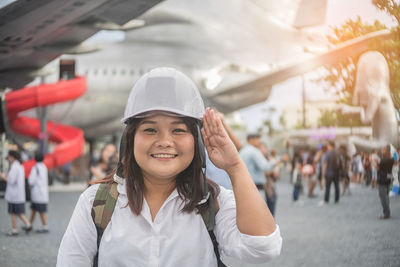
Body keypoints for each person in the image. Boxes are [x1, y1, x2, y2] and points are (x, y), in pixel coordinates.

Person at [57, 68, 282, 266]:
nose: (165, 141)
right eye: (150, 130)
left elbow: (263, 248)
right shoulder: (95, 201)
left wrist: (234, 166)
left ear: (197, 141)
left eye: (178, 130)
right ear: (129, 140)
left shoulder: (213, 202)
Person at [0, 150, 32, 236]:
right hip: (18, 194)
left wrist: (3, 176)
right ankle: (28, 224)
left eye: (9, 157)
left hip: (14, 195)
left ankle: (15, 229)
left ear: (12, 157)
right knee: (18, 212)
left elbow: (11, 181)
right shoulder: (19, 166)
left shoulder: (14, 167)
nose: (8, 159)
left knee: (13, 212)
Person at [28, 152, 49, 233]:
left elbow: (31, 181)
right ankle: (29, 224)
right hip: (42, 193)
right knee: (34, 209)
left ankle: (45, 226)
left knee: (40, 211)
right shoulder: (44, 167)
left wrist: (29, 184)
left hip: (37, 193)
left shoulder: (35, 168)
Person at [374, 146, 394, 219]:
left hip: (382, 179)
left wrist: (372, 160)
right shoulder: (391, 159)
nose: (381, 151)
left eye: (383, 150)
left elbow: (377, 167)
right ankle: (387, 211)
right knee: (386, 196)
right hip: (388, 178)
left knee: (383, 197)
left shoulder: (383, 159)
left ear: (386, 151)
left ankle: (386, 213)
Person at [320, 141, 340, 205]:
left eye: (328, 145)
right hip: (336, 172)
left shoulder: (328, 153)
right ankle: (336, 199)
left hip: (329, 172)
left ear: (330, 146)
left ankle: (326, 199)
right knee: (336, 186)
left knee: (327, 187)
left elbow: (325, 163)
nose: (327, 147)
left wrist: (323, 173)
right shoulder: (337, 153)